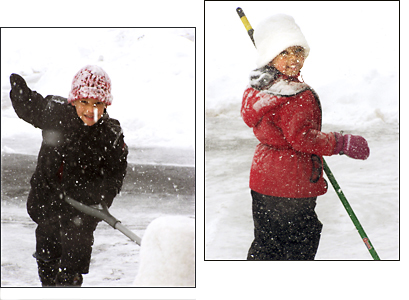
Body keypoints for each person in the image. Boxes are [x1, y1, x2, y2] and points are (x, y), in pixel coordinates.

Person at [241, 14, 370, 260]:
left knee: (267, 245)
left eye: (298, 51)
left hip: (262, 179)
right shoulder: (295, 94)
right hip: (291, 184)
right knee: (298, 246)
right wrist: (341, 143)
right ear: (270, 56)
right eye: (284, 53)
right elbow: (302, 139)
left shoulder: (258, 87)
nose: (294, 60)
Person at [9, 65, 128, 285]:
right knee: (47, 256)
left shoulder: (110, 135)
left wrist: (101, 199)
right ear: (73, 101)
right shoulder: (56, 113)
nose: (90, 110)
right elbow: (32, 107)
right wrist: (20, 95)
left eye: (97, 104)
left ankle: (69, 282)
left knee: (71, 269)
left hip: (83, 212)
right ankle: (48, 278)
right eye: (84, 102)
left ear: (106, 105)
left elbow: (116, 172)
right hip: (48, 201)